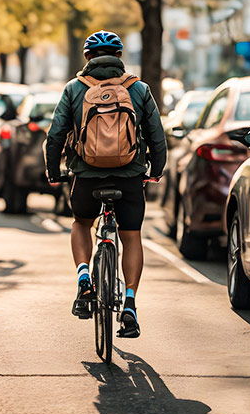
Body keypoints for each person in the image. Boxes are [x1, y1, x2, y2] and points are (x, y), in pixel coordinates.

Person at [44, 30, 166, 338]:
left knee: (81, 223)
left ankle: (84, 276)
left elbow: (56, 134)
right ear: (120, 57)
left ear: (87, 58)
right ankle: (129, 304)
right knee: (132, 236)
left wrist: (53, 171)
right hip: (130, 175)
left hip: (86, 175)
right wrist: (156, 169)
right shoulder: (137, 89)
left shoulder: (75, 88)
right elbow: (157, 136)